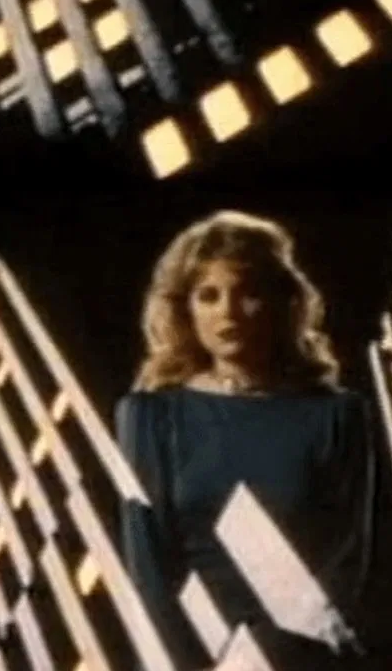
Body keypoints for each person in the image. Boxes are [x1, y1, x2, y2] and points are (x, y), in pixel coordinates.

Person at [116, 210, 376, 669]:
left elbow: (348, 559)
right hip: (192, 653)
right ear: (185, 309)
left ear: (281, 303)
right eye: (208, 296)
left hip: (306, 652)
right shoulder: (150, 416)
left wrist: (280, 652)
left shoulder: (336, 414)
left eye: (248, 292)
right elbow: (147, 567)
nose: (228, 312)